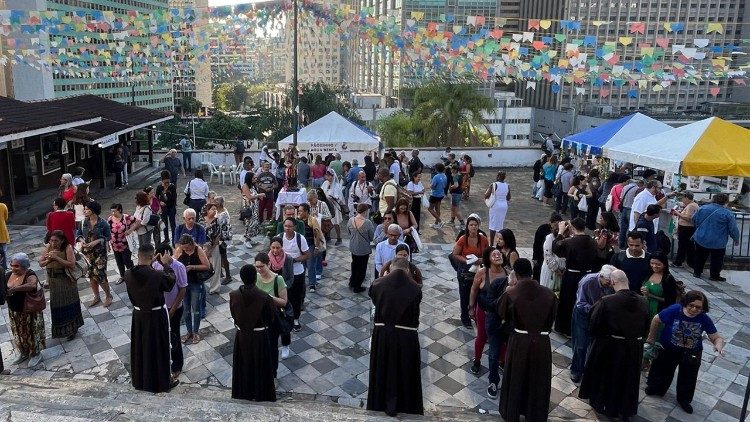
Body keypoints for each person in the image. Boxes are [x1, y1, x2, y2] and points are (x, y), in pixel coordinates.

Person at [578, 269, 650, 419]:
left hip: (610, 347)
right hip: (633, 348)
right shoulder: (643, 302)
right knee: (627, 379)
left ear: (613, 282)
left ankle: (604, 405)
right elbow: (645, 327)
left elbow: (594, 323)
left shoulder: (607, 301)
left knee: (608, 378)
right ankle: (624, 407)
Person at [645, 291, 725, 414]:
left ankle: (684, 400)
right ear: (685, 303)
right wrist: (651, 338)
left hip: (692, 352)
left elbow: (716, 337)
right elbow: (656, 320)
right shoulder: (674, 310)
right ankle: (655, 388)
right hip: (668, 349)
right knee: (662, 369)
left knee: (688, 376)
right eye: (691, 305)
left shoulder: (704, 318)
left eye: (698, 307)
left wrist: (718, 346)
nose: (694, 309)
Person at [497, 259, 557, 422]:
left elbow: (502, 313)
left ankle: (513, 413)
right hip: (542, 343)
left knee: (516, 377)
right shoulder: (549, 294)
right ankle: (535, 415)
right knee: (538, 379)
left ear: (515, 273)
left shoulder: (511, 293)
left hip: (520, 341)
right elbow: (552, 317)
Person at [367, 257, 423, 416]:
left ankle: (380, 403)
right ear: (407, 271)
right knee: (404, 372)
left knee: (383, 370)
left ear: (390, 268)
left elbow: (374, 296)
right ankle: (404, 406)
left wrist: (382, 274)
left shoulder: (378, 284)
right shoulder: (415, 288)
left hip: (383, 335)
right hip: (406, 338)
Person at [125, 243, 178, 392]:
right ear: (151, 256)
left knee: (141, 347)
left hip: (138, 315)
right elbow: (170, 283)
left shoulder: (128, 274)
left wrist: (150, 262)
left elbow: (142, 273)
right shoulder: (157, 274)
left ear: (138, 256)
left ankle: (141, 380)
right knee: (160, 347)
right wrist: (166, 264)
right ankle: (163, 381)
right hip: (156, 315)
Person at [230, 263, 277, 402]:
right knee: (259, 366)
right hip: (259, 336)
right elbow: (270, 318)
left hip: (242, 336)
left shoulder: (233, 295)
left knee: (243, 365)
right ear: (255, 279)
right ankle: (260, 394)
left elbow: (234, 315)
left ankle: (243, 393)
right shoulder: (264, 297)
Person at [552, 218, 606, 336]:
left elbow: (556, 248)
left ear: (572, 228)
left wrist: (560, 233)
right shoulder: (592, 242)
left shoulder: (569, 242)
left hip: (571, 276)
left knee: (568, 301)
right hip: (587, 275)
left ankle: (565, 328)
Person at [569, 265, 615, 383]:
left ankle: (590, 371)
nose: (610, 285)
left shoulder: (612, 283)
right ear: (601, 276)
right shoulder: (588, 281)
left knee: (594, 344)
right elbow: (581, 303)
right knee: (580, 344)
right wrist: (599, 309)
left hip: (600, 317)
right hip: (583, 315)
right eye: (608, 282)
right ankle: (576, 370)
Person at [468, 247, 508, 376]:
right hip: (483, 311)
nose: (497, 256)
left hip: (500, 314)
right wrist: (471, 307)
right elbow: (474, 290)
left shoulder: (508, 274)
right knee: (481, 336)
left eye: (499, 254)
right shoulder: (482, 272)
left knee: (501, 338)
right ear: (488, 259)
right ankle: (477, 360)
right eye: (494, 255)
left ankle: (502, 360)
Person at [151, 243, 187, 381]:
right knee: (161, 336)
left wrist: (172, 310)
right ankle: (164, 361)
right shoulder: (155, 266)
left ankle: (177, 365)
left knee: (174, 337)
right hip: (160, 308)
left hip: (174, 308)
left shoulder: (178, 267)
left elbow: (182, 289)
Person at [38, 230, 82, 341]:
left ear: (62, 240)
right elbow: (41, 263)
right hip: (54, 281)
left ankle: (72, 328)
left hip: (65, 280)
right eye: (51, 240)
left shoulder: (68, 248)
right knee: (57, 303)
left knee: (69, 302)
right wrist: (50, 259)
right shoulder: (49, 247)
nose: (53, 243)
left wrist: (57, 258)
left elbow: (71, 264)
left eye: (56, 241)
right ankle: (60, 329)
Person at [5, 253, 46, 367]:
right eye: (12, 265)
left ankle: (35, 354)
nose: (13, 268)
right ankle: (24, 352)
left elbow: (33, 285)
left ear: (24, 266)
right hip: (14, 311)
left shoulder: (30, 274)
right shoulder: (8, 275)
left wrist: (17, 288)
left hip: (29, 311)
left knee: (31, 332)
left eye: (17, 266)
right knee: (18, 332)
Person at [451, 216, 489, 328]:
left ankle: (477, 316)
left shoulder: (483, 239)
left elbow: (487, 255)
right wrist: (467, 260)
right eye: (471, 225)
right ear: (467, 226)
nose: (473, 227)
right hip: (465, 269)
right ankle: (465, 317)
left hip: (478, 270)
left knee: (478, 294)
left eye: (475, 225)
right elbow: (455, 254)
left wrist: (480, 260)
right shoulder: (463, 239)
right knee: (464, 294)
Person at [691, 193, 740, 281]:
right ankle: (714, 275)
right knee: (717, 259)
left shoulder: (702, 208)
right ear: (725, 202)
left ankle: (697, 272)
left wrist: (700, 227)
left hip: (701, 237)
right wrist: (736, 238)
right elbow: (733, 228)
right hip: (718, 241)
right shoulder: (727, 214)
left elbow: (694, 219)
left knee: (700, 256)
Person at [174, 234, 210, 344]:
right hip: (184, 284)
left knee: (196, 308)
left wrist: (193, 267)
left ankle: (195, 332)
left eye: (186, 247)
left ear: (190, 244)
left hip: (196, 283)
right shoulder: (180, 249)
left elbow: (207, 266)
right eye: (183, 247)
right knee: (186, 309)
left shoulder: (198, 249)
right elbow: (174, 262)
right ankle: (189, 331)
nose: (185, 249)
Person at [80, 201, 113, 308]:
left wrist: (97, 241)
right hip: (88, 253)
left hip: (100, 253)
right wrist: (82, 241)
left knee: (100, 274)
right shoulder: (84, 222)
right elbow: (79, 234)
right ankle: (97, 296)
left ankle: (108, 296)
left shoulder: (103, 223)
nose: (84, 211)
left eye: (87, 209)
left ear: (93, 210)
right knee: (91, 275)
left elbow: (108, 237)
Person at [280, 218, 310, 331]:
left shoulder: (299, 239)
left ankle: (296, 319)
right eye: (286, 226)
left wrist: (294, 260)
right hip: (284, 273)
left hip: (297, 273)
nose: (287, 228)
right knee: (283, 297)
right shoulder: (280, 237)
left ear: (294, 227)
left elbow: (307, 255)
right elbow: (274, 251)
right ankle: (286, 317)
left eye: (290, 226)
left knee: (296, 298)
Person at [265, 240, 292, 361]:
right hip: (269, 296)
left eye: (278, 248)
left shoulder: (288, 259)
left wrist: (282, 289)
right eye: (273, 248)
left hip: (282, 293)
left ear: (282, 247)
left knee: (283, 321)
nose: (275, 250)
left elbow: (290, 278)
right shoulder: (267, 259)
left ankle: (286, 345)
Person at [348, 203, 375, 293]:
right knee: (362, 267)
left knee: (354, 264)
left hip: (353, 247)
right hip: (363, 249)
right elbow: (372, 237)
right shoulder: (368, 223)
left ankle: (352, 281)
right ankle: (357, 285)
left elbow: (349, 232)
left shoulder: (351, 220)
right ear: (365, 211)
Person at [297, 203, 323, 292]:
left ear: (306, 211)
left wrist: (317, 247)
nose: (299, 212)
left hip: (310, 246)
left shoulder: (312, 220)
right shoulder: (298, 220)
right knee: (302, 265)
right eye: (299, 211)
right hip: (300, 247)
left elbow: (317, 234)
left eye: (301, 211)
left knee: (311, 265)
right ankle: (301, 282)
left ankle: (312, 284)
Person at [671, 192, 698, 268]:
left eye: (683, 198)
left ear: (686, 198)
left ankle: (679, 261)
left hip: (687, 228)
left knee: (683, 245)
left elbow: (688, 218)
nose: (682, 200)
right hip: (686, 228)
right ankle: (690, 262)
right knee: (689, 246)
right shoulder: (691, 205)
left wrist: (678, 213)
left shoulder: (691, 206)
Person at [539, 214, 565, 290]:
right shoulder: (550, 238)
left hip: (561, 269)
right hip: (551, 269)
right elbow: (548, 255)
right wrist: (556, 269)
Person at [532, 213, 558, 281]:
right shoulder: (543, 228)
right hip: (541, 253)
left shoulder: (558, 231)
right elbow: (536, 243)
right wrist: (535, 257)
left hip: (551, 254)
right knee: (538, 272)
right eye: (555, 223)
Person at [321, 168, 344, 244]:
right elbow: (321, 191)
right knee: (326, 221)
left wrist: (332, 197)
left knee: (335, 222)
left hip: (334, 206)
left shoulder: (336, 186)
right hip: (326, 206)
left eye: (329, 176)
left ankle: (339, 237)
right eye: (327, 175)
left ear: (332, 176)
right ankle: (328, 236)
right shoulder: (325, 183)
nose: (328, 177)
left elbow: (338, 197)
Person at [618, 178, 643, 248]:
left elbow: (621, 197)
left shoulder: (625, 187)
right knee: (630, 228)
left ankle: (621, 244)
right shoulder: (637, 189)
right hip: (631, 210)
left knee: (622, 228)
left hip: (624, 209)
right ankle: (628, 245)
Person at [240, 172, 263, 247]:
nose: (255, 179)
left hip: (254, 207)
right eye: (254, 178)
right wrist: (259, 195)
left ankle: (250, 238)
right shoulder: (245, 186)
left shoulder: (252, 186)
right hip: (248, 208)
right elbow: (249, 197)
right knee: (249, 223)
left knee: (254, 223)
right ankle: (246, 239)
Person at [156, 171, 177, 243]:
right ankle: (166, 238)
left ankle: (174, 238)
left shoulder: (172, 187)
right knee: (164, 224)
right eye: (165, 182)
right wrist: (160, 202)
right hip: (163, 208)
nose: (167, 184)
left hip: (171, 207)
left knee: (172, 223)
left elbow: (174, 198)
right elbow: (156, 198)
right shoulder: (159, 187)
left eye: (168, 182)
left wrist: (166, 192)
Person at [428, 163, 447, 229]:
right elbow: (445, 185)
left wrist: (430, 185)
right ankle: (436, 223)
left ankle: (439, 221)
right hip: (441, 194)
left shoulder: (436, 177)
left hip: (434, 195)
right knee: (437, 208)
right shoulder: (444, 176)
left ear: (436, 169)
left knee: (430, 209)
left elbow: (433, 187)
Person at [0, 196, 7, 273]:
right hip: (2, 233)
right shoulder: (2, 206)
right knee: (3, 253)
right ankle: (4, 268)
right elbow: (5, 217)